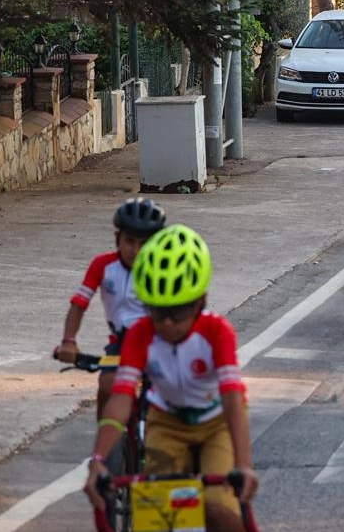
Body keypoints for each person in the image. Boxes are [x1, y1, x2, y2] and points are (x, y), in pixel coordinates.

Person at [83, 226, 257, 532]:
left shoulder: (217, 332)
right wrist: (98, 458)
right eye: (157, 311)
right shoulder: (140, 334)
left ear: (199, 302)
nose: (165, 323)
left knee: (218, 510)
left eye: (177, 313)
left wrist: (243, 464)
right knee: (155, 517)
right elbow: (122, 396)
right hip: (167, 423)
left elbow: (232, 397)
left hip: (216, 424)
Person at [57, 198, 167, 417]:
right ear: (118, 239)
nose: (136, 250)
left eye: (144, 243)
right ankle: (106, 450)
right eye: (130, 241)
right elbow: (79, 304)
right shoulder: (103, 265)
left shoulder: (164, 268)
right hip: (121, 344)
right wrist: (69, 341)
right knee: (108, 386)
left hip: (159, 342)